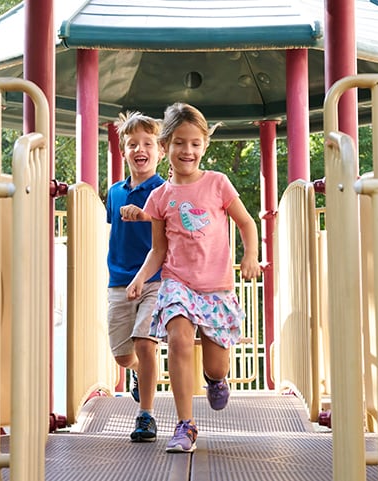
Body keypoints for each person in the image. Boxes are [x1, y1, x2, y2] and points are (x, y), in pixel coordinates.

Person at [123, 102, 261, 453]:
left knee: (216, 364)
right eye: (180, 143)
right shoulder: (160, 197)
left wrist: (250, 255)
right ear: (166, 145)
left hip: (215, 287)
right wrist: (140, 279)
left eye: (196, 143)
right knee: (178, 337)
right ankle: (185, 425)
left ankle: (216, 379)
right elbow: (158, 250)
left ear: (204, 145)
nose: (188, 151)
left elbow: (246, 222)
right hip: (177, 283)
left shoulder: (218, 183)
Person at [105, 111, 167, 443]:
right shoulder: (114, 192)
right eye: (132, 144)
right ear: (123, 150)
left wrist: (144, 216)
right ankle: (137, 375)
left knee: (145, 344)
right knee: (123, 355)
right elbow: (113, 232)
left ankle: (146, 416)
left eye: (148, 143)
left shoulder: (165, 191)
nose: (140, 149)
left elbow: (168, 234)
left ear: (160, 151)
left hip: (155, 279)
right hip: (119, 280)